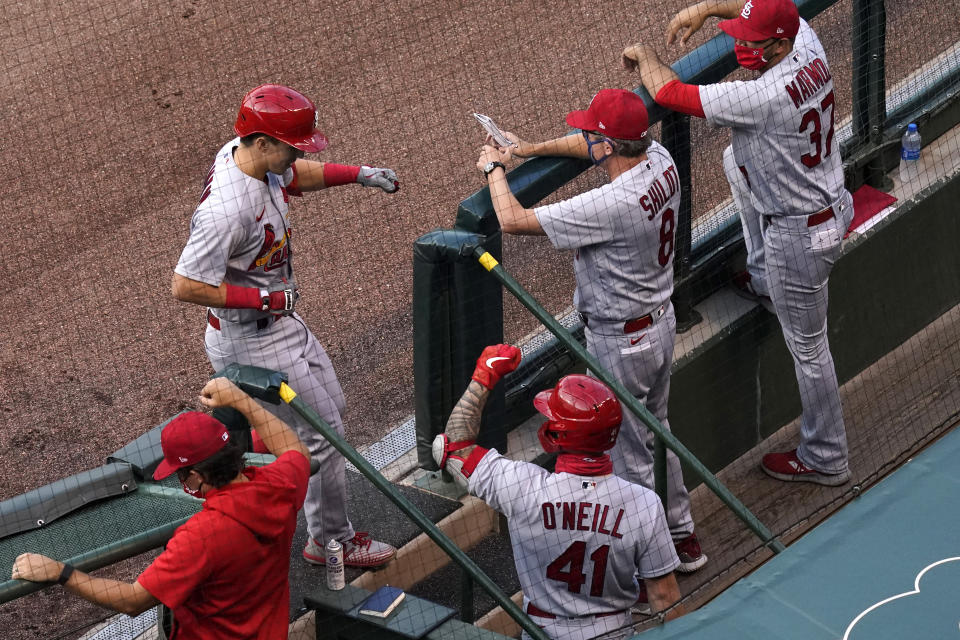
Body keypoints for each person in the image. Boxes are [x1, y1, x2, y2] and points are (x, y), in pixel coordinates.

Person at [622, 0, 853, 485]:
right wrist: (706, 9)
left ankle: (826, 455)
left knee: (811, 352)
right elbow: (770, 4)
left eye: (750, 41)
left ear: (779, 44)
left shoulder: (764, 95)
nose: (741, 45)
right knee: (736, 162)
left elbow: (668, 91)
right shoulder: (807, 42)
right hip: (828, 202)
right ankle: (768, 280)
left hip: (801, 236)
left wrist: (643, 53)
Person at [477, 88, 707, 574]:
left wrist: (493, 168)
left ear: (607, 145)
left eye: (591, 133)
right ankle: (682, 535)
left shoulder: (610, 203)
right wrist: (528, 149)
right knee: (659, 433)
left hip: (620, 343)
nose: (586, 138)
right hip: (660, 323)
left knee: (629, 462)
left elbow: (512, 219)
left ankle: (655, 567)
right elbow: (592, 145)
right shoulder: (660, 157)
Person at [171, 84, 398, 566]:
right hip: (249, 337)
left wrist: (358, 174)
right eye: (290, 146)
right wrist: (262, 296)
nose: (296, 154)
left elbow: (292, 177)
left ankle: (285, 506)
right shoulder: (224, 213)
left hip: (278, 324)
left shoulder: (250, 157)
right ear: (261, 142)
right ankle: (331, 541)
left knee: (331, 411)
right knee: (324, 436)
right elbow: (185, 285)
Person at [11, 377, 310, 640]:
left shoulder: (201, 537)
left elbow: (133, 600)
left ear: (197, 476)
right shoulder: (280, 486)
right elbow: (295, 451)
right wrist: (241, 400)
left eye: (180, 473)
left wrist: (59, 572)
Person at [433, 345, 684, 640]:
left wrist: (483, 378)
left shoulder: (519, 486)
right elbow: (665, 600)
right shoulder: (643, 504)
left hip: (540, 633)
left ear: (558, 435)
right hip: (613, 632)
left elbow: (451, 447)